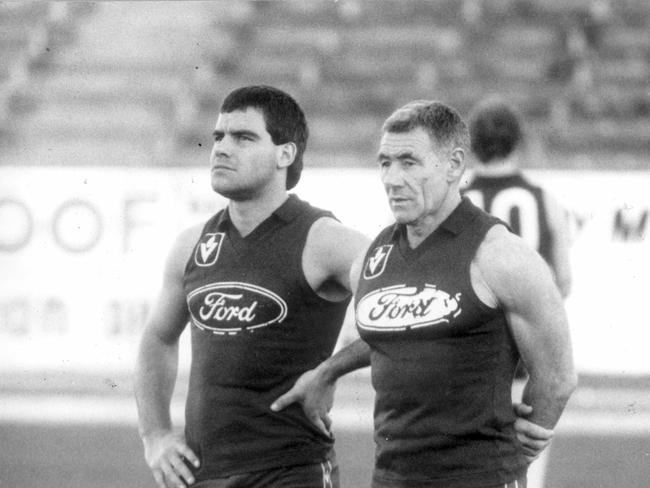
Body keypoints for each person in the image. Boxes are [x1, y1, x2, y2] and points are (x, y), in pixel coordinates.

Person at [272, 100, 577, 488]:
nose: (392, 178)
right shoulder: (375, 254)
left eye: (409, 162)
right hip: (391, 478)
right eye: (385, 162)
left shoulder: (500, 254)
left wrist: (517, 455)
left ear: (453, 165)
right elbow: (399, 327)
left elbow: (558, 377)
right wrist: (328, 370)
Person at [134, 85, 370, 488]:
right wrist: (155, 434)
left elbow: (407, 310)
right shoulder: (193, 244)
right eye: (219, 137)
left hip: (291, 473)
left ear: (286, 154)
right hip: (203, 473)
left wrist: (331, 371)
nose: (222, 148)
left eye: (243, 137)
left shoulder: (324, 239)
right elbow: (157, 338)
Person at [463, 97, 572, 298]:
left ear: (472, 142)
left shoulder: (453, 200)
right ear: (517, 141)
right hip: (528, 321)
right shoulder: (544, 199)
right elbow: (563, 281)